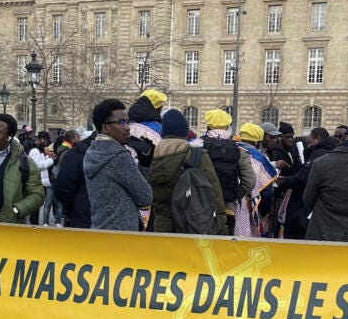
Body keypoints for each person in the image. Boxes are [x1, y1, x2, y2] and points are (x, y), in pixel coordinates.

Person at [147, 109, 227, 234]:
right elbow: (215, 195)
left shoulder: (153, 157)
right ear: (185, 133)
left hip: (162, 228)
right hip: (192, 227)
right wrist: (222, 228)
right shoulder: (196, 156)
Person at [83, 98, 153, 231]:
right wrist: (145, 165)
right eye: (121, 122)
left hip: (100, 230)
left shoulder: (91, 152)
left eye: (127, 121)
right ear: (105, 127)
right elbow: (146, 197)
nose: (127, 127)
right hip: (123, 235)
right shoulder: (119, 156)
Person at [201, 109, 255, 235]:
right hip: (227, 208)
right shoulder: (238, 149)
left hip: (201, 206)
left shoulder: (196, 145)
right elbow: (250, 181)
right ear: (227, 126)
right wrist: (233, 195)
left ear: (208, 125)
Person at [234, 123, 277, 237]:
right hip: (249, 206)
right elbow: (266, 191)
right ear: (258, 142)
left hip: (230, 202)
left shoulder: (231, 149)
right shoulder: (258, 157)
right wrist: (264, 211)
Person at [54, 129, 94, 228]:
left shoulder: (68, 150)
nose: (79, 139)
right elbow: (64, 187)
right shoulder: (73, 152)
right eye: (77, 137)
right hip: (80, 213)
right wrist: (74, 207)